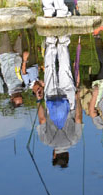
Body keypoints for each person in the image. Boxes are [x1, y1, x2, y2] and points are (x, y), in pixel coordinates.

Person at [35, 36, 82, 168]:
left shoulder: (74, 140)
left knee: (65, 69)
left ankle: (62, 42)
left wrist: (78, 98)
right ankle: (50, 42)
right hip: (51, 102)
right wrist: (39, 100)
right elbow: (42, 120)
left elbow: (78, 118)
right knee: (50, 71)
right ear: (54, 155)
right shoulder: (47, 141)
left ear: (67, 155)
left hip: (69, 101)